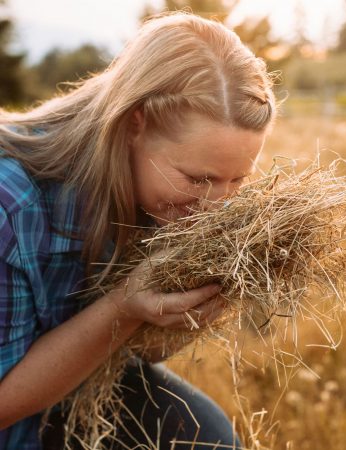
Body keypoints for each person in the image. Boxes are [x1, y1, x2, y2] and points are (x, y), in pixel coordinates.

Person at [0, 11, 276, 449]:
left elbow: (137, 353)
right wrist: (124, 307)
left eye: (237, 179)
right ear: (134, 124)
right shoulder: (10, 205)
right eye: (198, 178)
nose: (218, 206)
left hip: (75, 392)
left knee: (206, 438)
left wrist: (182, 313)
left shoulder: (161, 197)